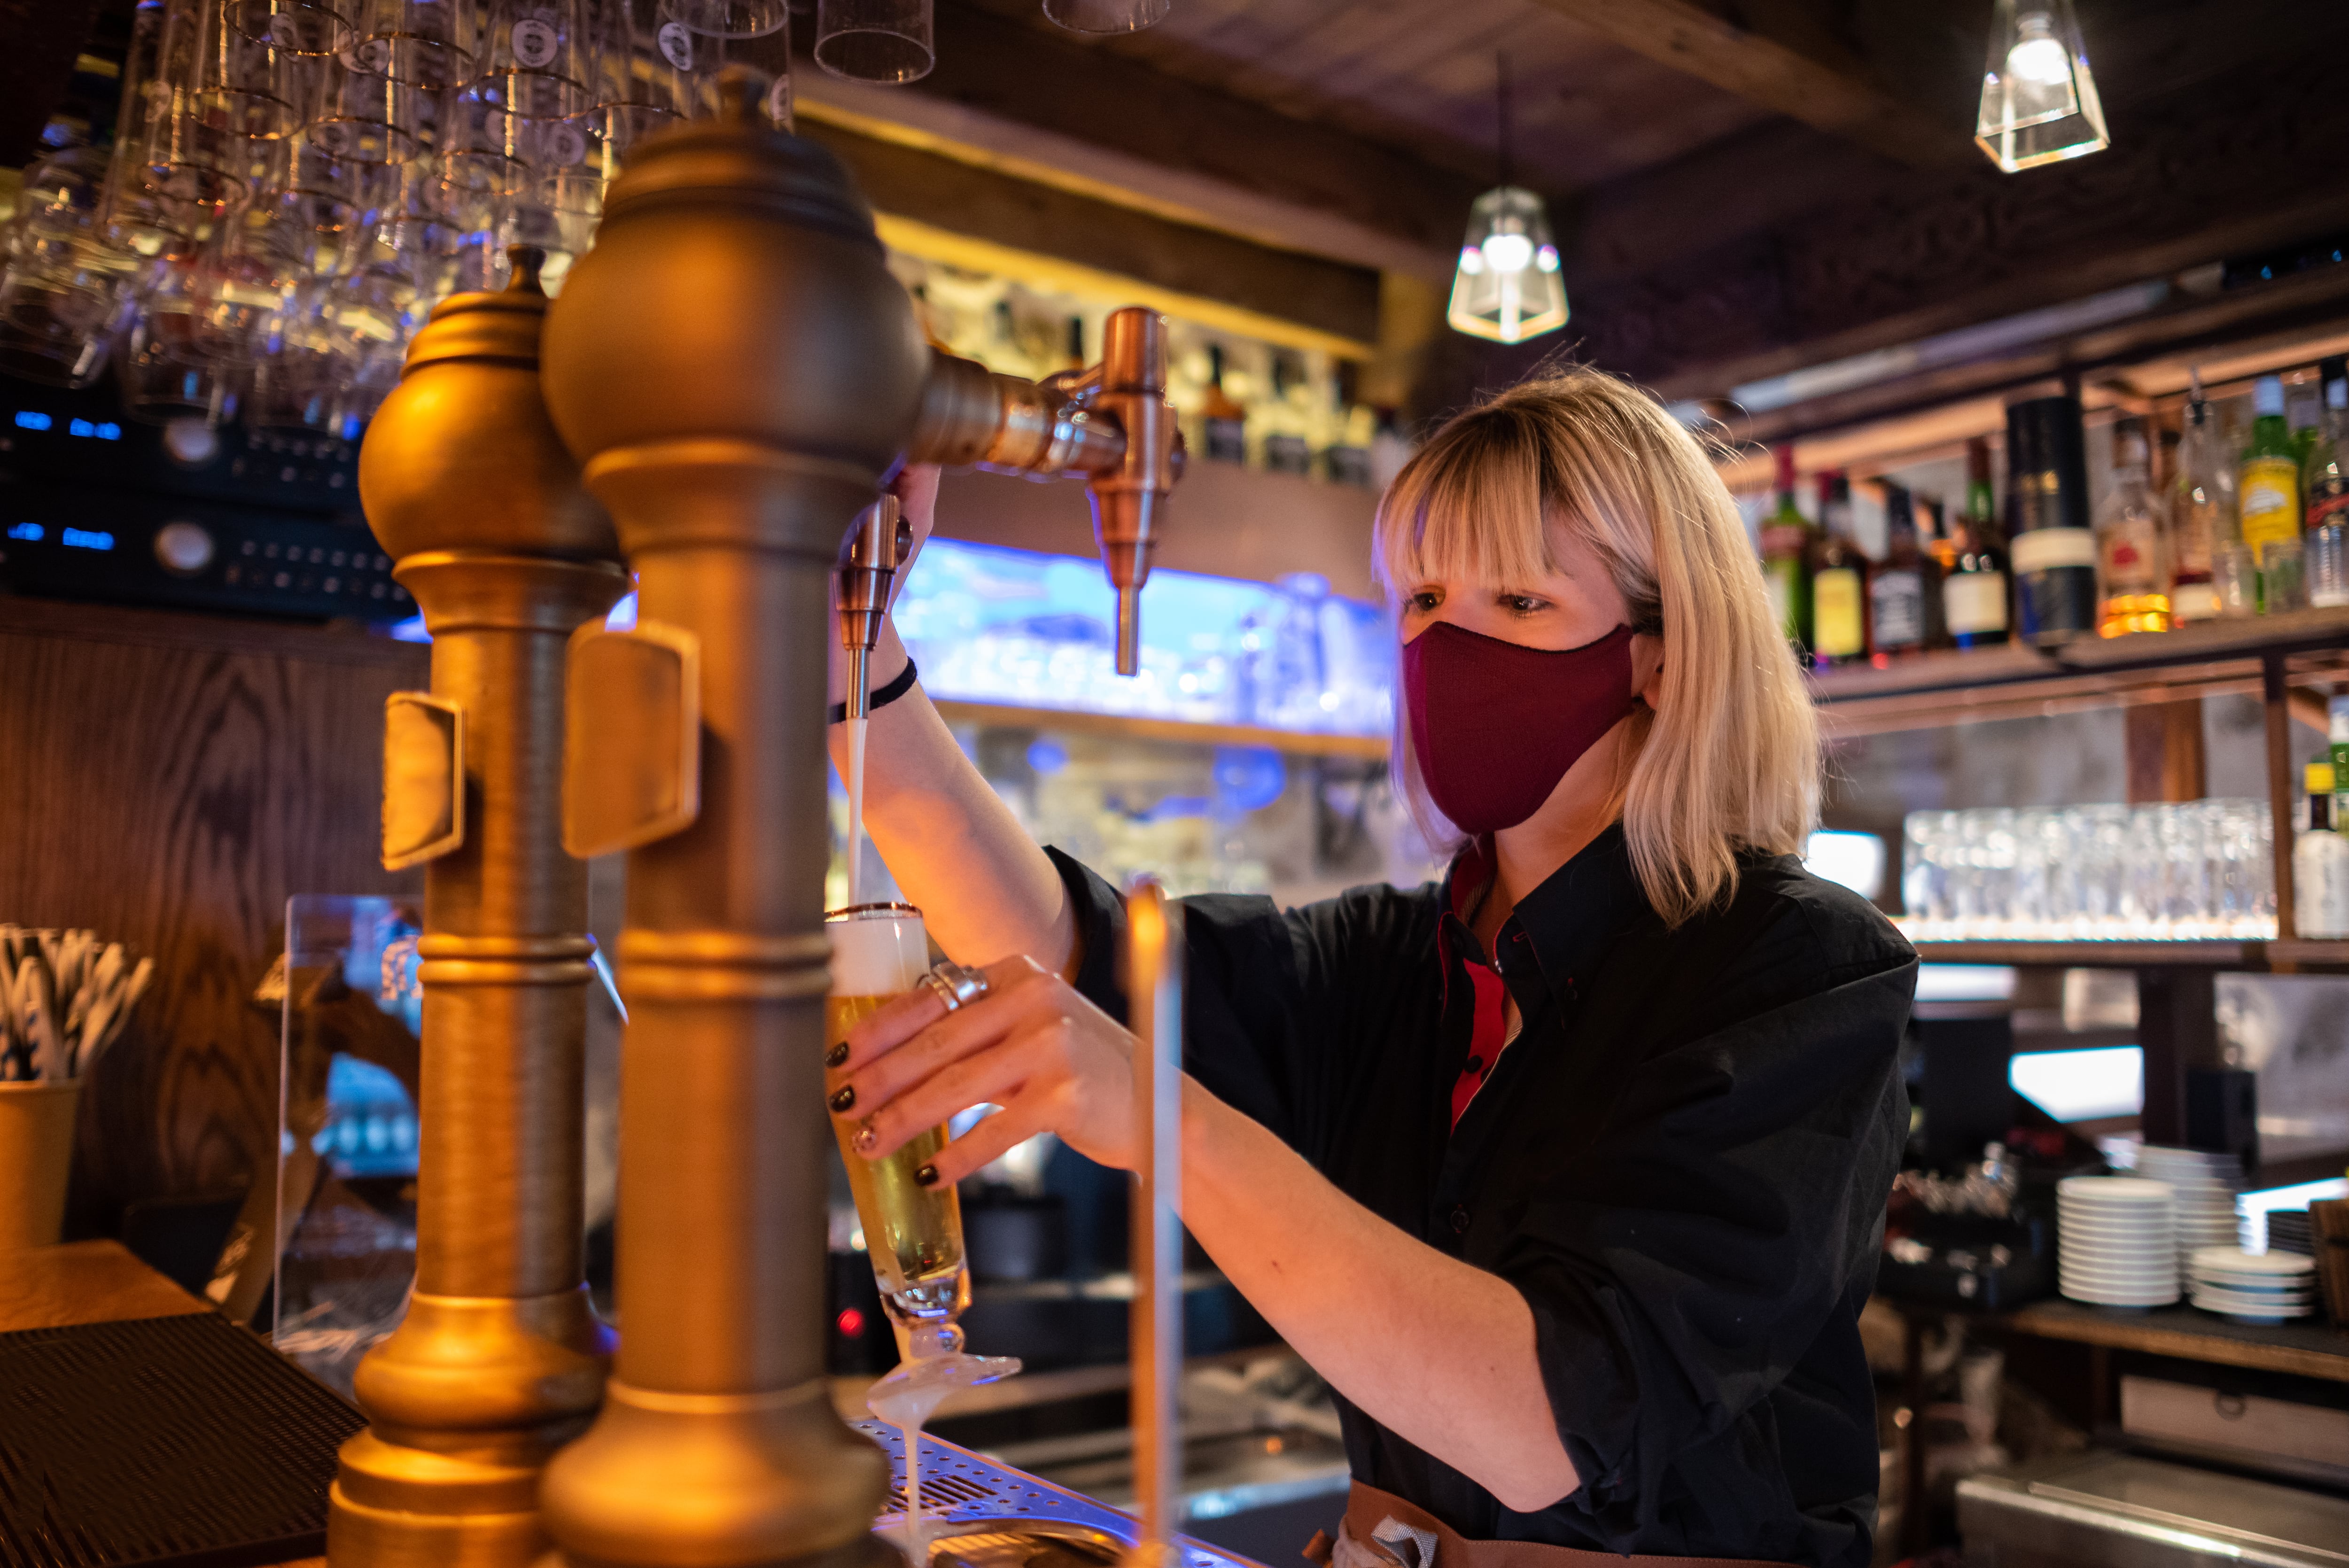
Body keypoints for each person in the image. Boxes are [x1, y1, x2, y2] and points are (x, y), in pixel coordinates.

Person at [825, 368, 1915, 1568]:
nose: (1452, 642)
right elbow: (1079, 961)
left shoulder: (1795, 972)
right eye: (1424, 596)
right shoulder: (1394, 961)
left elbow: (1548, 1419)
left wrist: (1151, 1106)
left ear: (1658, 655)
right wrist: (855, 659)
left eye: (1519, 600)